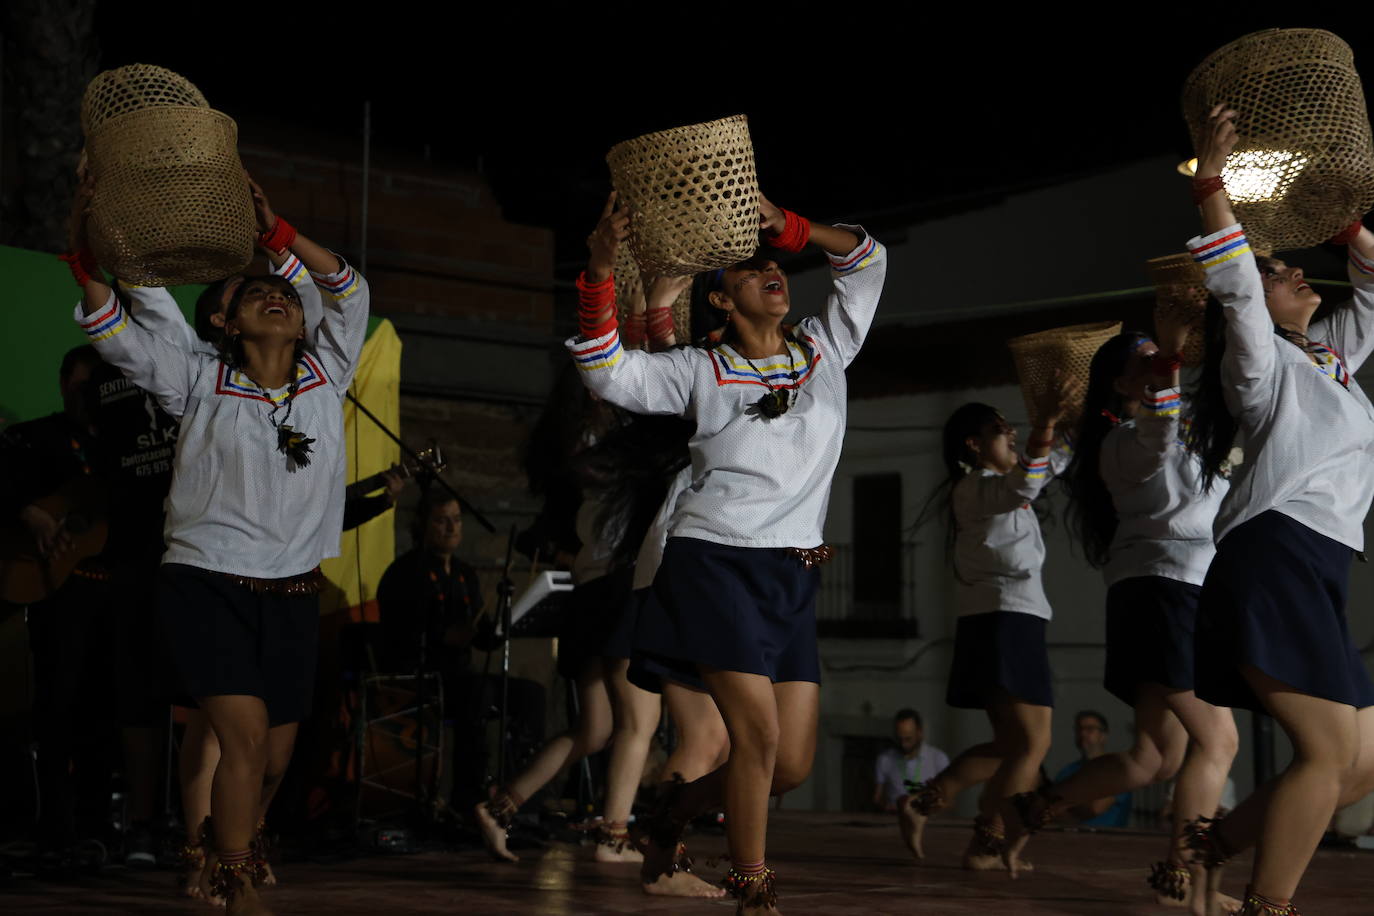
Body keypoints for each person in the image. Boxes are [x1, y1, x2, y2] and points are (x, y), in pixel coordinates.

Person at [566, 188, 886, 914]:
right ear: (719, 301)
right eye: (749, 269)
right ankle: (753, 887)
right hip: (715, 562)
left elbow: (867, 259)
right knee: (758, 737)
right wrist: (600, 266)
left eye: (775, 263)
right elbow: (606, 370)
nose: (772, 270)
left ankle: (670, 814)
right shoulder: (699, 371)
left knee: (790, 766)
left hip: (793, 574)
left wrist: (792, 225)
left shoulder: (825, 349)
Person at [68, 171, 367, 915]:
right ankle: (237, 885)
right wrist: (88, 258)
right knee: (244, 736)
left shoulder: (329, 378)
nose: (280, 295)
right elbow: (117, 329)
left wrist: (280, 235)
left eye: (290, 296)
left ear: (303, 325)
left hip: (294, 589)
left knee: (275, 757)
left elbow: (350, 289)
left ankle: (224, 840)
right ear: (227, 323)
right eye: (256, 293)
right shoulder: (196, 380)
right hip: (205, 584)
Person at [1183, 104, 1374, 916]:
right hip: (1277, 555)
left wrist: (1340, 221)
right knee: (1329, 754)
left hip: (1320, 560)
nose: (1294, 272)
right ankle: (1269, 907)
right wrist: (1212, 181)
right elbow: (1233, 280)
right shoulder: (1257, 364)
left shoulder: (1328, 360)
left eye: (1296, 267)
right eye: (1278, 270)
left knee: (1361, 762)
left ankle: (1211, 848)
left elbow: (1373, 282)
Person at [1036, 318, 1241, 914]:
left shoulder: (1180, 434)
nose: (1159, 370)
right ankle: (1185, 877)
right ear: (1123, 383)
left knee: (1157, 757)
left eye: (1163, 362)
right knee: (1219, 740)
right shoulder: (1124, 440)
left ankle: (1032, 810)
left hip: (1174, 592)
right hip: (1163, 592)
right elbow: (1159, 429)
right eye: (1147, 364)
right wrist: (1172, 363)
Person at [900, 386, 1074, 877]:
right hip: (1006, 618)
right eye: (1001, 430)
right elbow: (1027, 483)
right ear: (973, 444)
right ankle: (987, 841)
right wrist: (1046, 428)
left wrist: (1077, 418)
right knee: (1032, 746)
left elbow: (1049, 466)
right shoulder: (977, 487)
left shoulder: (993, 486)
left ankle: (925, 804)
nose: (1011, 435)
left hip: (1000, 618)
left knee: (1008, 746)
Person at [1050, 711, 1132, 827]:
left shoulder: (1118, 769)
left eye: (1090, 729)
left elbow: (1095, 808)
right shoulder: (1067, 771)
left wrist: (1066, 802)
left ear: (1103, 735)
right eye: (1079, 729)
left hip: (1109, 841)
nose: (1083, 734)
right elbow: (1051, 810)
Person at [873, 708, 948, 812]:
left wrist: (933, 806)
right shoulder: (884, 759)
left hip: (927, 821)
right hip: (894, 819)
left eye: (908, 739)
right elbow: (877, 798)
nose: (903, 744)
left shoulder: (939, 758)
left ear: (920, 733)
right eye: (899, 739)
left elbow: (949, 801)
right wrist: (885, 807)